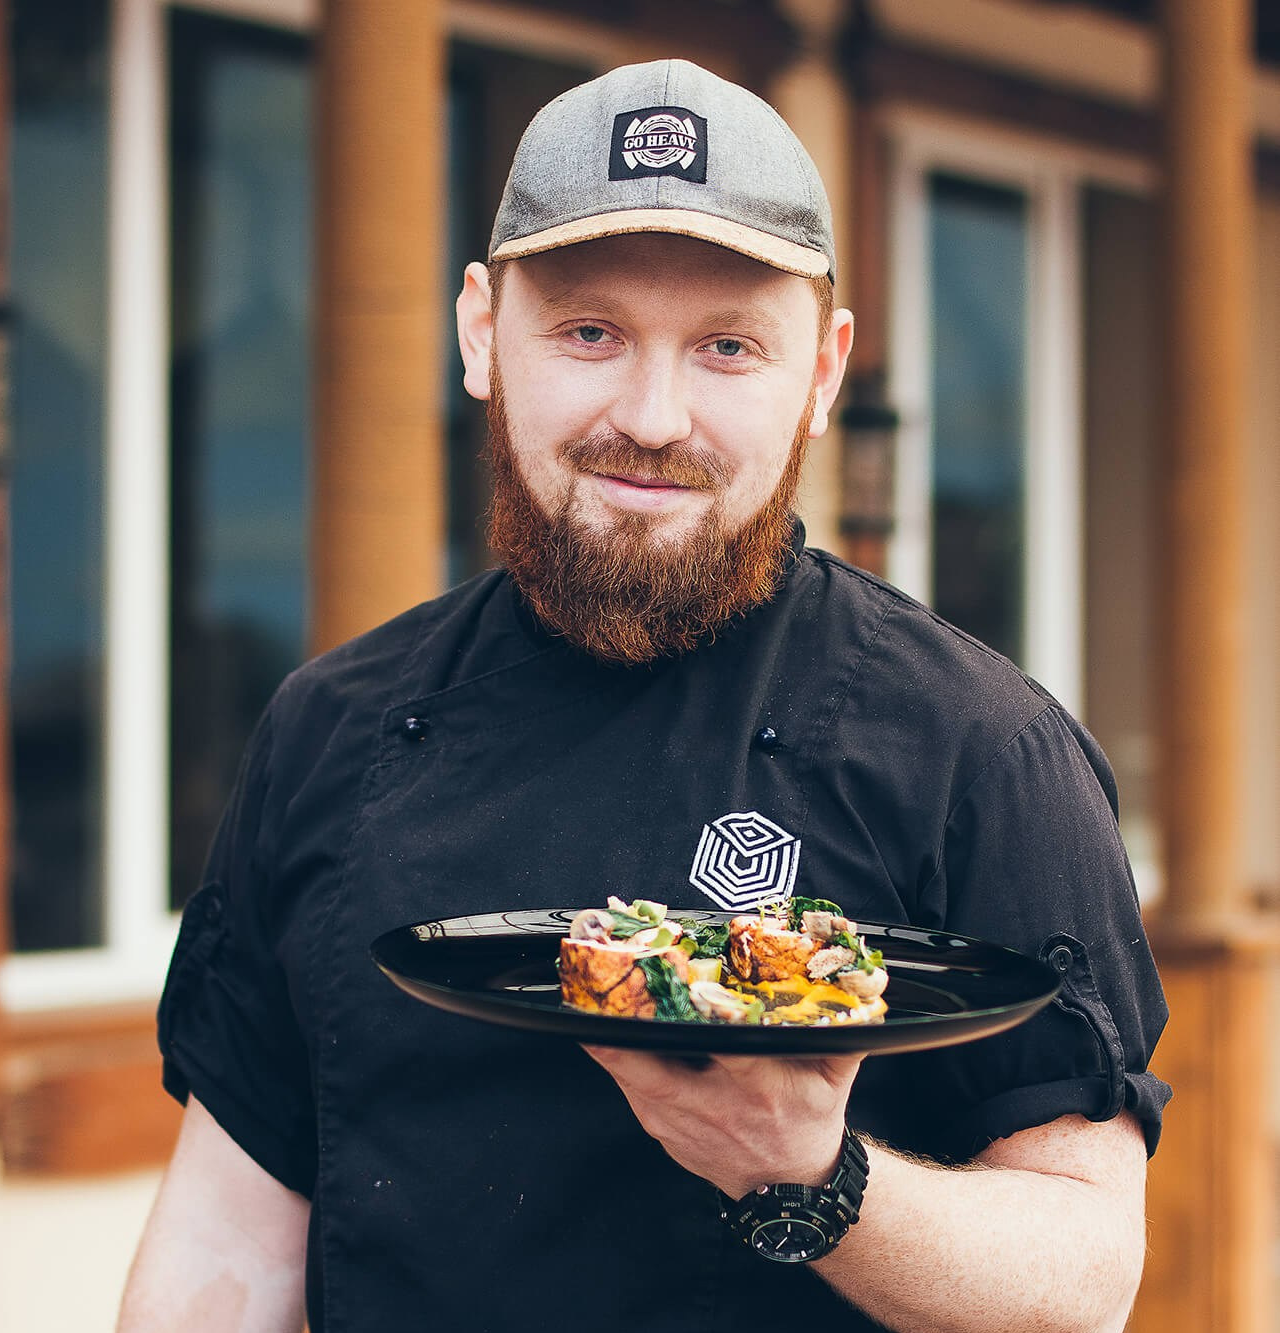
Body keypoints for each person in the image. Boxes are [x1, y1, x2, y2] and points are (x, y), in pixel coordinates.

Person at [119, 59, 1168, 1333]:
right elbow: (225, 1248)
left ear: (824, 372)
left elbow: (1084, 1278)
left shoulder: (978, 749)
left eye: (728, 346)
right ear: (479, 331)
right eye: (589, 332)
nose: (654, 416)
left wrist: (811, 1178)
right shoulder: (328, 727)